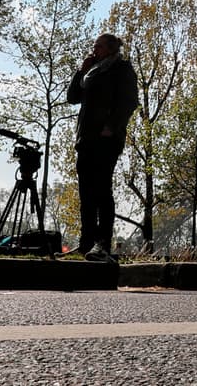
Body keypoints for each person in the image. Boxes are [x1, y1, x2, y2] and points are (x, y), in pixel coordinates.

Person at [66, 33, 138, 262]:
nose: (94, 49)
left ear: (111, 48)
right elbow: (72, 97)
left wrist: (112, 126)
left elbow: (129, 101)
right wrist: (81, 70)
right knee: (86, 192)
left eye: (98, 45)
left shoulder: (121, 69)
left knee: (101, 190)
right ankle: (86, 242)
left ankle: (103, 244)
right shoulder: (92, 71)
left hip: (106, 139)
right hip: (86, 138)